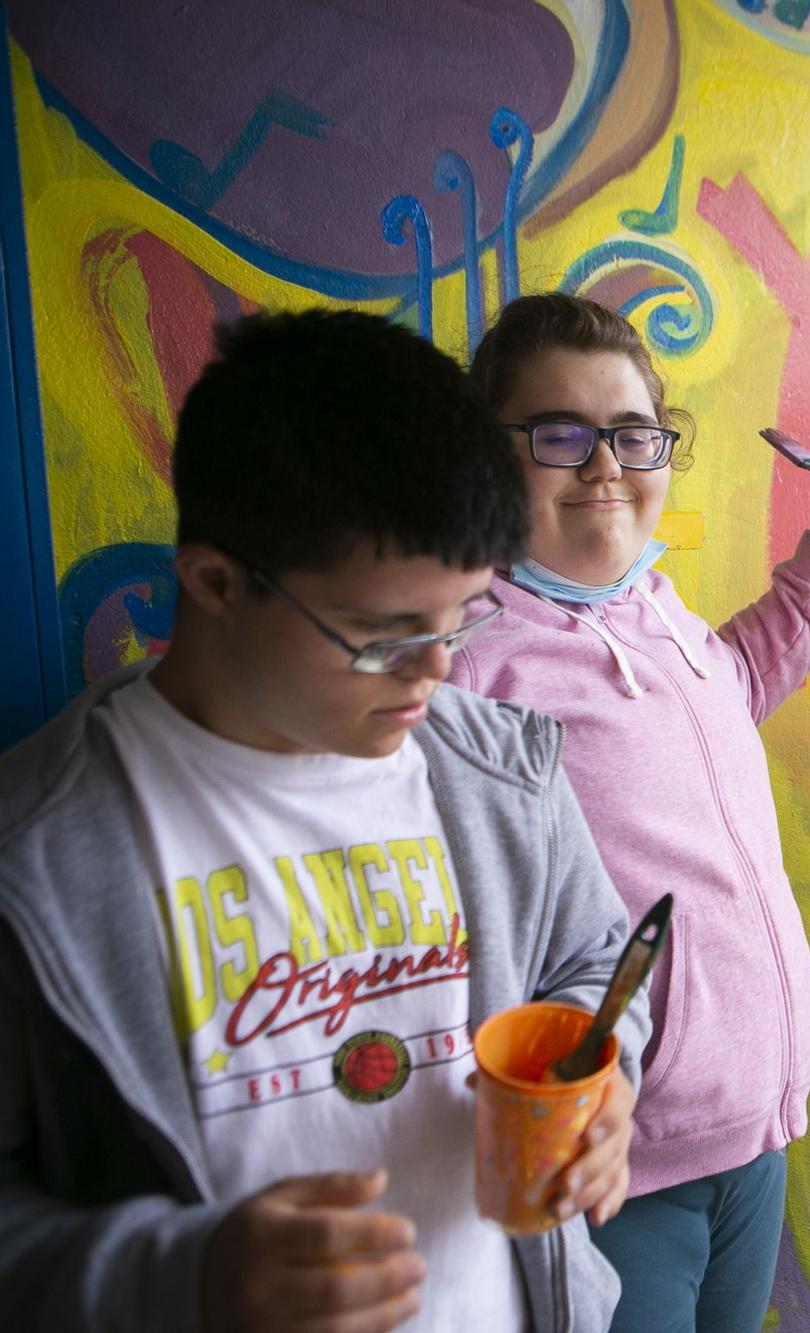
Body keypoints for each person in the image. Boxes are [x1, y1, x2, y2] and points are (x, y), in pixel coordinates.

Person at [0, 310, 646, 1333]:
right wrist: (181, 1278)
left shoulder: (501, 772)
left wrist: (600, 1081)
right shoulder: (35, 859)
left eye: (463, 616)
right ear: (214, 583)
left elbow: (598, 963)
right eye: (385, 636)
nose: (438, 674)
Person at [451, 293, 810, 1332]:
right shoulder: (470, 662)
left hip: (755, 1125)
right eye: (560, 434)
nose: (605, 465)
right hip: (621, 1164)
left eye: (633, 434)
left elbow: (723, 687)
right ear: (485, 457)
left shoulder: (652, 608)